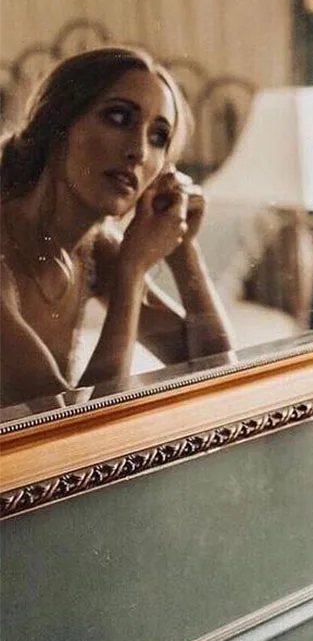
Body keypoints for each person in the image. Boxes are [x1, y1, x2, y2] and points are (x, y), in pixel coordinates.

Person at [0, 46, 234, 409]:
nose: (139, 151)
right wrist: (132, 270)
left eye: (159, 137)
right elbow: (71, 427)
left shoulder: (95, 250)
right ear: (58, 124)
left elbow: (218, 368)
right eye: (119, 117)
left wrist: (184, 249)